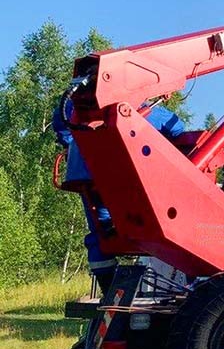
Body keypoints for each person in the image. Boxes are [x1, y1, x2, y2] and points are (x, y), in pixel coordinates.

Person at [53, 99, 185, 292]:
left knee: (101, 232)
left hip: (84, 174)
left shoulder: (76, 102)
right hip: (126, 174)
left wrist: (75, 143)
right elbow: (177, 128)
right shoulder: (135, 105)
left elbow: (61, 123)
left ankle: (111, 290)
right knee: (162, 228)